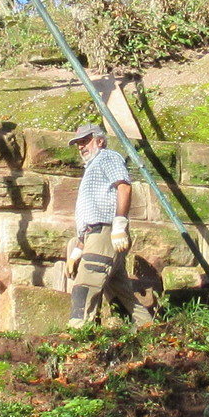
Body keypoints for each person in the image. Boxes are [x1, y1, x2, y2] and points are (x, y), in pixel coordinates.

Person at [65, 123, 152, 328]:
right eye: (78, 143)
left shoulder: (107, 157)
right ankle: (151, 331)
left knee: (85, 285)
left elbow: (124, 187)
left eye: (85, 141)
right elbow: (89, 216)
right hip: (94, 234)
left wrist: (119, 223)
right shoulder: (91, 168)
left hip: (105, 232)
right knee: (121, 295)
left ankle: (77, 333)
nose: (81, 146)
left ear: (100, 141)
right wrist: (78, 250)